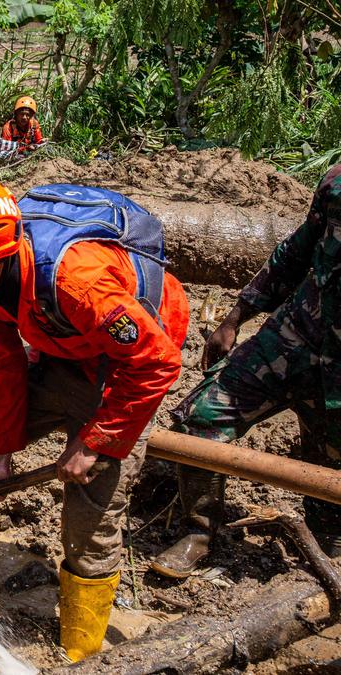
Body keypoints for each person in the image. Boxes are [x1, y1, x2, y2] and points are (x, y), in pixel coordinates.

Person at [0, 174, 189, 662]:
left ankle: (82, 649)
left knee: (92, 506)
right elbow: (0, 363)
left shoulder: (79, 280)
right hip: (66, 343)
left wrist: (96, 441)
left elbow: (156, 363)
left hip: (125, 365)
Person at [151, 164, 341, 578]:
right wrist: (235, 317)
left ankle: (322, 560)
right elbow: (297, 251)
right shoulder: (336, 182)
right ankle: (200, 531)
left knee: (331, 483)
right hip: (294, 336)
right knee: (202, 417)